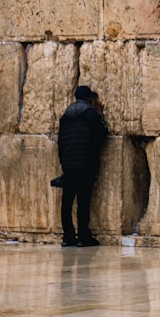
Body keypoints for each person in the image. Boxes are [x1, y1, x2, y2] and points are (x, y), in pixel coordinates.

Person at [57, 85, 108, 247]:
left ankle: (68, 237)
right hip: (86, 163)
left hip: (69, 164)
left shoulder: (65, 116)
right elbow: (101, 136)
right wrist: (100, 114)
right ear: (88, 99)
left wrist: (64, 161)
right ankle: (83, 237)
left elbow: (60, 142)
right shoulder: (91, 115)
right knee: (83, 201)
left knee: (67, 202)